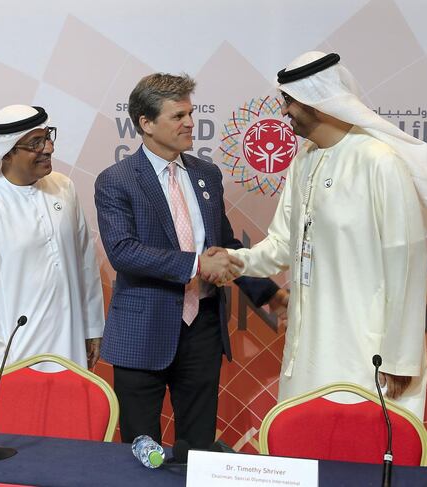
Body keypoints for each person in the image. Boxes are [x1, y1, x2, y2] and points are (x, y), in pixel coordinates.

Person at [225, 52, 427, 419]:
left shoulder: (379, 161)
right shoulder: (304, 159)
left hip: (367, 354)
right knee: (304, 455)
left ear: (317, 101)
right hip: (307, 344)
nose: (284, 113)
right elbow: (283, 244)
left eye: (290, 102)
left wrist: (400, 358)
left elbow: (407, 267)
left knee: (358, 464)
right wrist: (234, 260)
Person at [94, 74, 287, 449]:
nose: (189, 123)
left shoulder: (206, 174)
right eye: (177, 115)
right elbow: (123, 251)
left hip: (202, 330)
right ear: (146, 123)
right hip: (143, 332)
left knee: (198, 449)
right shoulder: (116, 180)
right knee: (141, 451)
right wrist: (197, 265)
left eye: (190, 113)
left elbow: (225, 245)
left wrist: (267, 294)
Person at [0, 104, 105, 427]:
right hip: (11, 362)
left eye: (48, 137)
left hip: (68, 349)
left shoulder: (63, 188)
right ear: (6, 153)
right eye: (35, 142)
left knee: (69, 448)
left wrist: (92, 327)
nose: (48, 148)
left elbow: (85, 262)